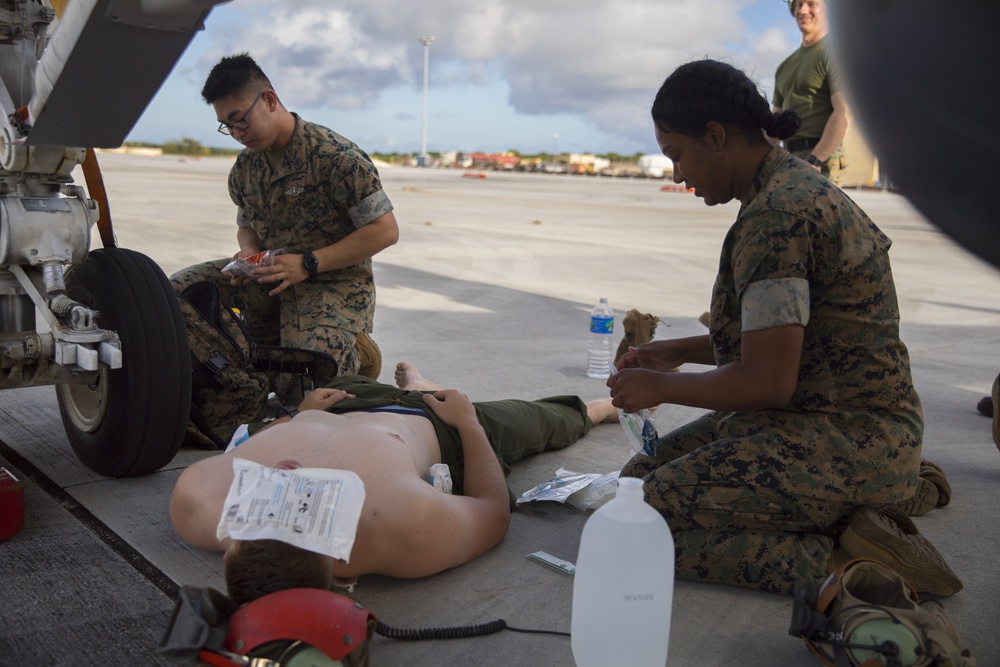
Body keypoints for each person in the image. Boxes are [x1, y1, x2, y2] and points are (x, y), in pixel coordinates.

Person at [606, 59, 961, 597]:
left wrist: (659, 388)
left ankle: (852, 557)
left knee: (645, 527)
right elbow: (785, 338)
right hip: (824, 418)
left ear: (717, 136)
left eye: (678, 156)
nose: (678, 175)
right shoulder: (783, 190)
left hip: (847, 435)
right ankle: (879, 495)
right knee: (637, 480)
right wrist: (675, 352)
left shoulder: (779, 217)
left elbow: (765, 382)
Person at [170, 362, 617, 604]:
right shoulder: (403, 527)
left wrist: (296, 414)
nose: (287, 469)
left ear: (230, 546)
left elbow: (244, 447)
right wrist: (468, 423)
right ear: (339, 567)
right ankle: (601, 407)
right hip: (434, 426)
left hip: (341, 398)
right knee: (540, 418)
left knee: (340, 365)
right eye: (302, 503)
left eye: (267, 499)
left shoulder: (199, 500)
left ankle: (423, 381)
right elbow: (493, 511)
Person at [170, 53, 399, 380]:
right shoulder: (246, 167)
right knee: (177, 294)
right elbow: (246, 224)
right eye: (227, 125)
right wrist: (248, 253)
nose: (237, 133)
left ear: (269, 100)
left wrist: (308, 263)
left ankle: (355, 349)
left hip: (332, 284)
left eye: (240, 119)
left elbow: (384, 231)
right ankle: (249, 362)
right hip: (272, 277)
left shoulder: (335, 157)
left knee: (305, 376)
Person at [771, 0, 850, 185]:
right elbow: (775, 119)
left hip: (820, 156)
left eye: (811, 3)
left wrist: (816, 159)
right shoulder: (785, 66)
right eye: (798, 4)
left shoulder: (835, 53)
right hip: (788, 156)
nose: (803, 10)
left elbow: (844, 112)